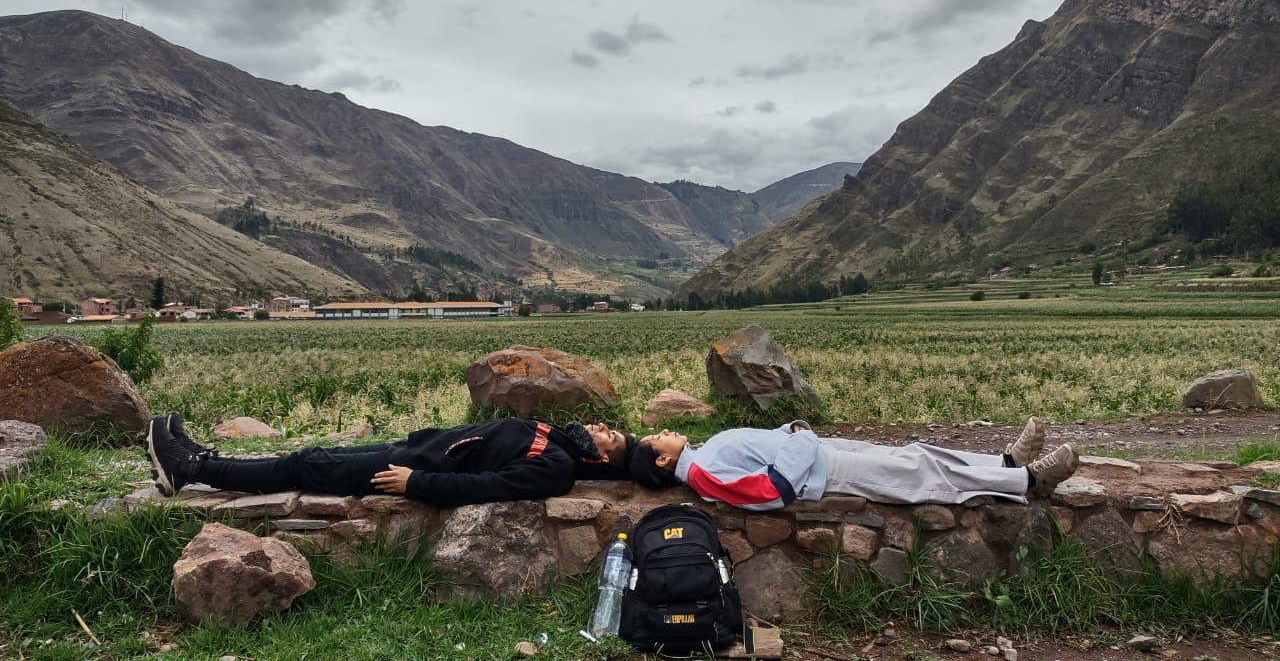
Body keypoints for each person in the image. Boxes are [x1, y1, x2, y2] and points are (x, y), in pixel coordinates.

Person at [145, 413, 635, 507]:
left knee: (305, 467)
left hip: (408, 469)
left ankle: (191, 469)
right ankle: (197, 458)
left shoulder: (556, 465)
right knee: (308, 457)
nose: (598, 426)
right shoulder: (556, 439)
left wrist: (415, 482)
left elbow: (487, 486)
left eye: (607, 435)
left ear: (602, 459)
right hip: (410, 449)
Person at [628, 417, 1078, 509]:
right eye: (657, 438)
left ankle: (1003, 461)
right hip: (826, 471)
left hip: (818, 452)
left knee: (915, 453)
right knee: (918, 474)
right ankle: (1027, 481)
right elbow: (770, 492)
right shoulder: (703, 473)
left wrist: (791, 431)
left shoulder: (704, 453)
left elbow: (763, 452)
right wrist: (801, 441)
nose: (663, 430)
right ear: (663, 460)